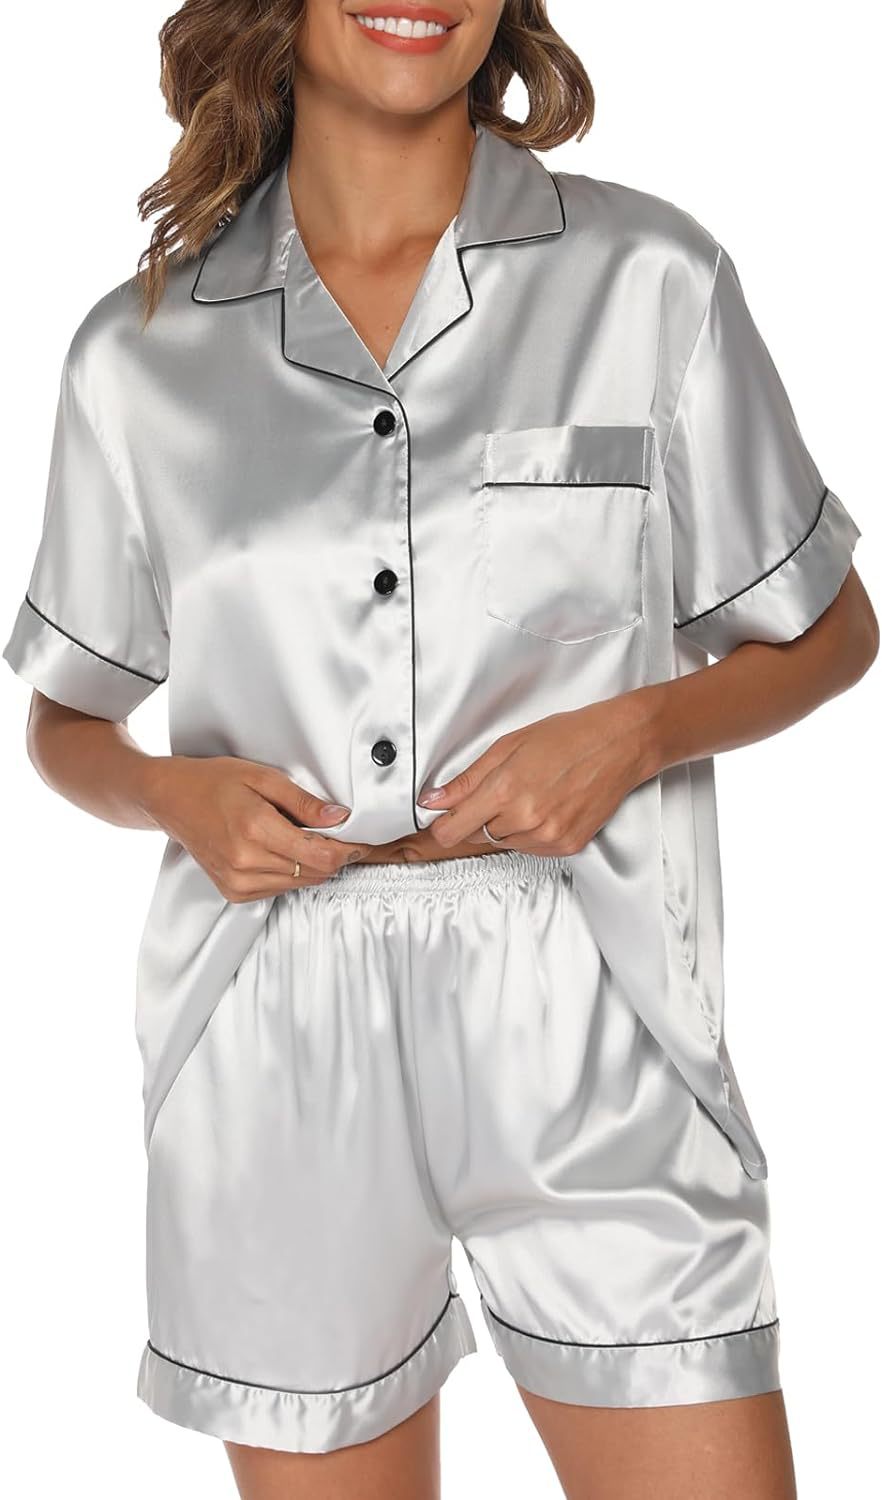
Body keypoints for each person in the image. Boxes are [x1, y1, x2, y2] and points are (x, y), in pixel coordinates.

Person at [3, 2, 877, 1496]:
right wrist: (168, 795)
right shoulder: (139, 352)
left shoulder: (647, 278)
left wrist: (635, 730)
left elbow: (831, 629)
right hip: (271, 1020)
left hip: (591, 1006)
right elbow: (65, 718)